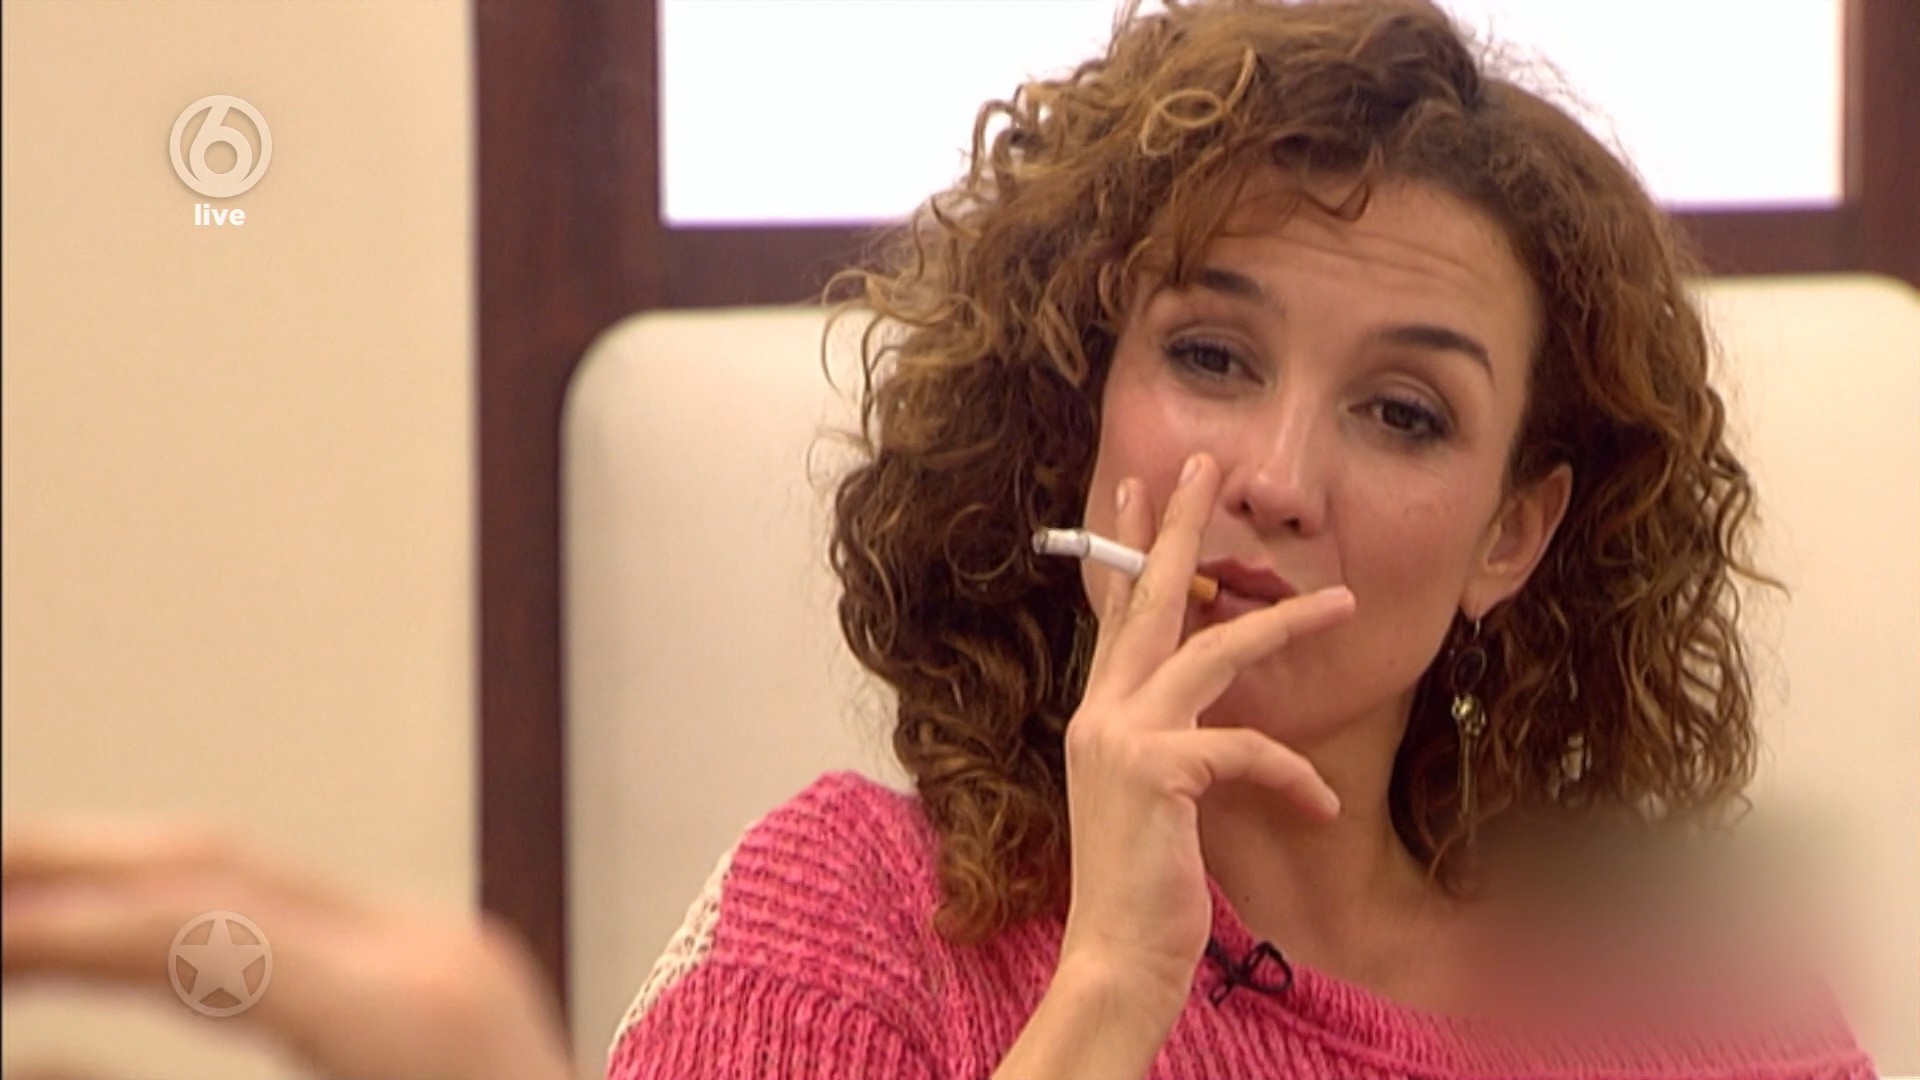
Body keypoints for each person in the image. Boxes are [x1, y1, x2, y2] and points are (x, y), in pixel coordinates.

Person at [0, 0, 1878, 1077]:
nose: (1278, 474)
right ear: (1087, 407)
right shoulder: (855, 922)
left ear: (1513, 534)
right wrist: (1108, 992)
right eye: (1210, 357)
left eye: (1404, 411)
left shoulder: (1706, 1009)